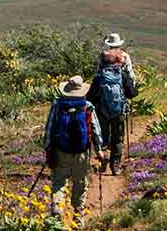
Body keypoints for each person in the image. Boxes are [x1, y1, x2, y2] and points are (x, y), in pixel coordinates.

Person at [42, 75, 104, 217]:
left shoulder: (57, 105)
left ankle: (57, 209)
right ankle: (78, 213)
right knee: (80, 181)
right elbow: (95, 129)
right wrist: (99, 150)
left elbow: (50, 127)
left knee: (59, 181)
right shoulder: (87, 106)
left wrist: (48, 147)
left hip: (61, 150)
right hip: (81, 152)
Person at [87, 36, 137, 175]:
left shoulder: (102, 61)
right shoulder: (125, 59)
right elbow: (132, 85)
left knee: (102, 134)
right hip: (119, 108)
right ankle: (115, 165)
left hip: (102, 107)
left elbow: (93, 88)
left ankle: (103, 157)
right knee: (118, 137)